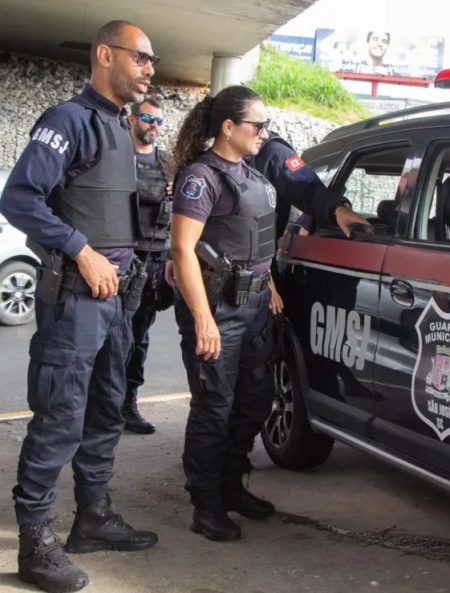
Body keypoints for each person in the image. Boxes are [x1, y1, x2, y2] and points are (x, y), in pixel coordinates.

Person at [0, 20, 159, 593]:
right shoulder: (69, 120)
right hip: (75, 296)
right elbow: (18, 198)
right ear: (104, 55)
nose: (148, 68)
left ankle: (92, 517)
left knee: (105, 408)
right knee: (60, 416)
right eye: (139, 57)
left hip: (116, 295)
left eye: (151, 60)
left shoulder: (119, 126)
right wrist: (79, 251)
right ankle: (35, 543)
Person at [170, 85, 365, 543]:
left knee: (254, 403)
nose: (266, 133)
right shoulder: (202, 178)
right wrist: (202, 318)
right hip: (218, 310)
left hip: (256, 307)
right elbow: (182, 250)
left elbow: (257, 244)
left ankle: (232, 485)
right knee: (212, 411)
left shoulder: (255, 175)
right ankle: (206, 503)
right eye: (258, 125)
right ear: (229, 127)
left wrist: (270, 285)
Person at [123, 96, 174, 434]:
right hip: (122, 258)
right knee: (110, 336)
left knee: (139, 338)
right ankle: (99, 404)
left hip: (154, 261)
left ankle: (128, 403)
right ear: (131, 119)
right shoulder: (116, 160)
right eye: (147, 118)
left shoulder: (169, 165)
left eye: (159, 121)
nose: (153, 126)